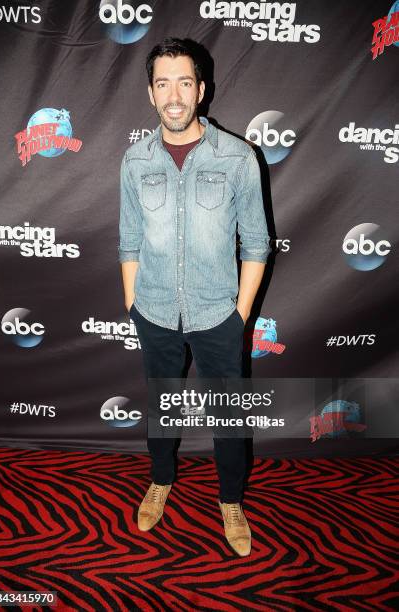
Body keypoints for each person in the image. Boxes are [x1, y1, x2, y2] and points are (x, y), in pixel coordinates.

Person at [118, 37, 270, 557]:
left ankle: (231, 501)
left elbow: (257, 243)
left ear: (201, 90)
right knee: (162, 407)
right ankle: (160, 479)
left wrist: (240, 316)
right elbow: (128, 239)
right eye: (164, 83)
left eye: (185, 81)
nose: (175, 94)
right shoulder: (134, 161)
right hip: (154, 310)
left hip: (217, 315)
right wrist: (131, 305)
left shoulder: (239, 158)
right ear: (151, 94)